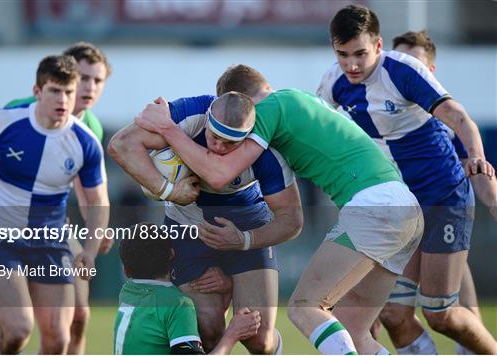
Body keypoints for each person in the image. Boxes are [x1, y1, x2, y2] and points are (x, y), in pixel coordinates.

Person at [134, 64, 424, 354]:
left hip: (373, 207)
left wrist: (168, 128)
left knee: (305, 308)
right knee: (353, 330)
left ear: (245, 102)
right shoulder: (298, 99)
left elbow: (219, 174)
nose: (241, 128)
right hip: (406, 207)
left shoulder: (269, 109)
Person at [316, 5, 496, 354]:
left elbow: (459, 118)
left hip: (442, 197)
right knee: (395, 314)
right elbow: (317, 133)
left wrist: (476, 155)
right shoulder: (333, 83)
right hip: (399, 207)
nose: (351, 64)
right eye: (342, 55)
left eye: (360, 54)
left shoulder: (402, 71)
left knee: (440, 313)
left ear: (379, 46)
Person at [109, 91, 303, 353]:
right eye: (214, 137)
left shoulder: (267, 151)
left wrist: (244, 240)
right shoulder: (189, 117)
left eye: (230, 143)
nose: (219, 147)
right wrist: (169, 191)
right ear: (209, 118)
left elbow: (292, 221)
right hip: (188, 229)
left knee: (258, 339)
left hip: (248, 227)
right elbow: (120, 144)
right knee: (206, 326)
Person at [0, 42, 112, 355]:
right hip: (1, 231)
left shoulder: (88, 134)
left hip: (50, 235)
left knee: (67, 329)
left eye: (96, 81)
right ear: (39, 90)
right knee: (14, 331)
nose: (85, 89)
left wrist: (93, 243)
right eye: (81, 79)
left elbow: (93, 198)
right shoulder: (12, 116)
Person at [371, 29, 497, 355]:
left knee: (452, 319)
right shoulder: (375, 113)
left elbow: (477, 168)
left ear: (429, 72)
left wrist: (493, 202)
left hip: (444, 221)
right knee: (392, 314)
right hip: (402, 222)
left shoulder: (442, 122)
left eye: (413, 65)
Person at [114, 222, 261, 355]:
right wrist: (233, 334)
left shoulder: (127, 291)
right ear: (172, 255)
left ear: (125, 270)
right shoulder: (177, 304)